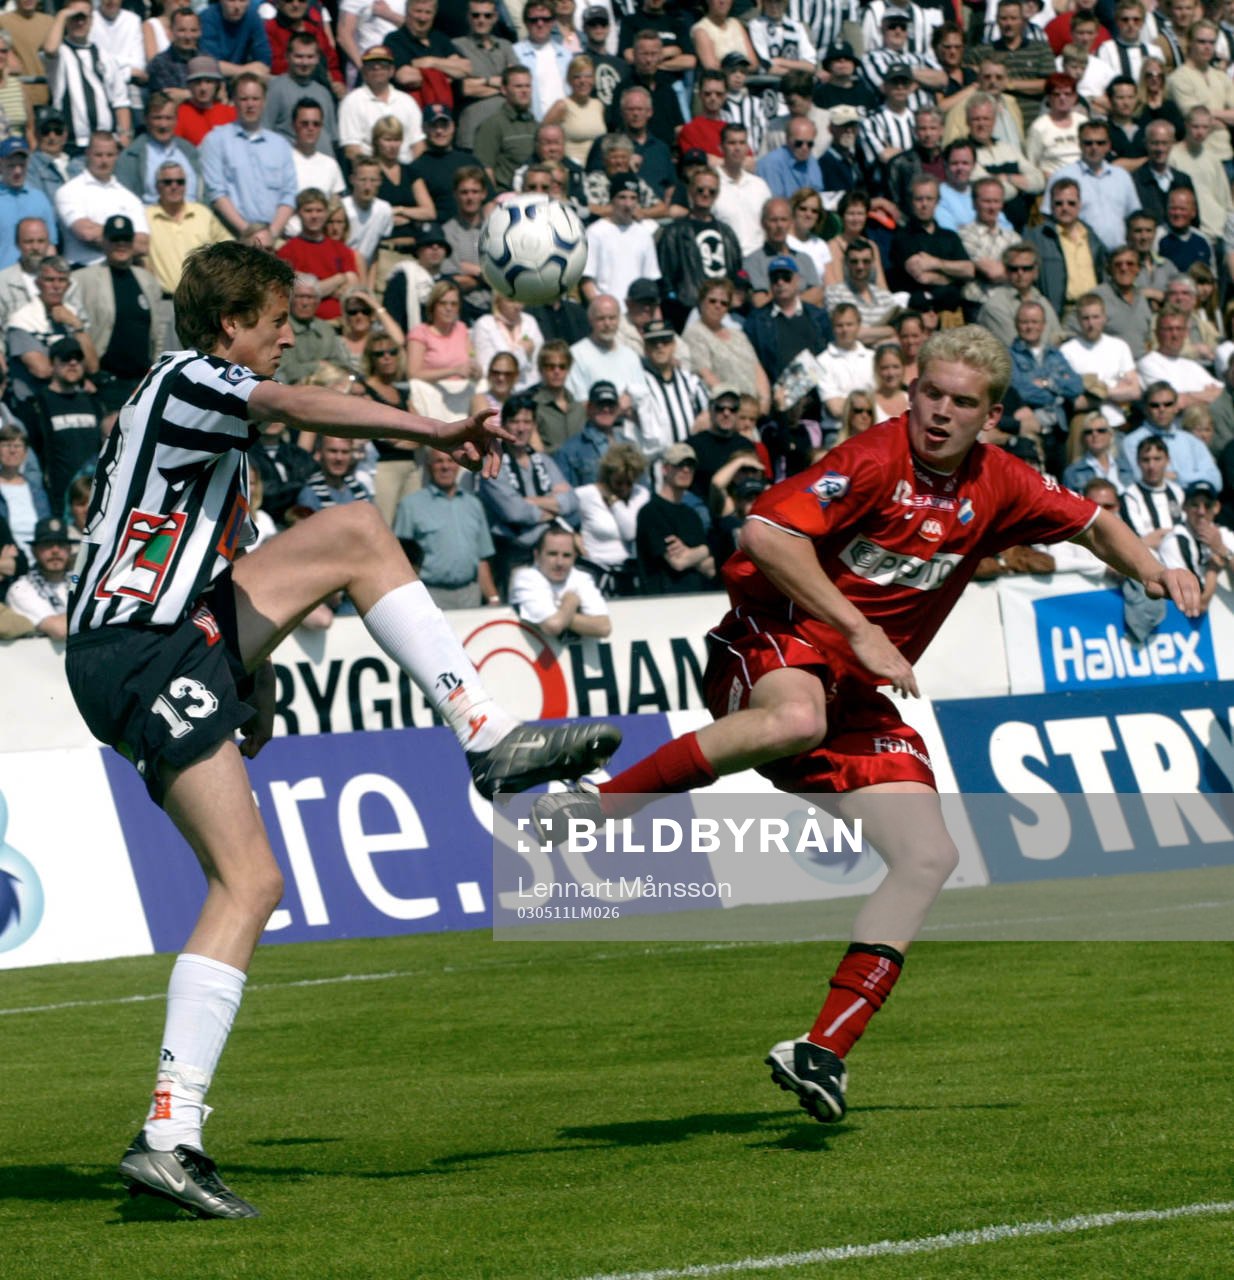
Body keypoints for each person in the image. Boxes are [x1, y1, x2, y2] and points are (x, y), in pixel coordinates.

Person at [65, 242, 620, 1219]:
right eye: (277, 320)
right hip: (135, 647)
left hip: (177, 643)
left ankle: (485, 728)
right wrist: (430, 426)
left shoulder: (223, 450)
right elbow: (292, 405)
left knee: (356, 531)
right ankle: (167, 1131)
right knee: (250, 880)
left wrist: (255, 673)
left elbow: (234, 570)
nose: (289, 335)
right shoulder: (188, 378)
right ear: (228, 325)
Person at [532, 324, 1200, 1125]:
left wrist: (1158, 570)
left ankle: (823, 1048)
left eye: (962, 403)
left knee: (929, 854)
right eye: (930, 395)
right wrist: (861, 630)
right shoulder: (876, 458)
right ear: (909, 391)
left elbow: (1095, 522)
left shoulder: (1004, 481)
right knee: (797, 713)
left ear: (990, 415)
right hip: (776, 636)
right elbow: (765, 535)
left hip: (856, 685)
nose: (941, 413)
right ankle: (595, 807)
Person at [71, 215, 163, 412]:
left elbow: (158, 332)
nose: (121, 245)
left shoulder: (148, 280)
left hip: (142, 382)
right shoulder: (82, 279)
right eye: (114, 240)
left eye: (126, 239)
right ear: (104, 242)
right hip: (105, 381)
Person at [393, 448, 499, 609]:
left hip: (470, 594)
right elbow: (400, 561)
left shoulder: (473, 504)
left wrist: (493, 598)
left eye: (451, 461)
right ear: (429, 466)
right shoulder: (410, 506)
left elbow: (482, 559)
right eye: (439, 461)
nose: (445, 467)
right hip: (429, 596)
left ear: (458, 466)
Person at [200, 74, 297, 248]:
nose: (250, 104)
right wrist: (248, 232)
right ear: (234, 101)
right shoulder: (215, 140)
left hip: (274, 238)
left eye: (255, 98)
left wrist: (272, 234)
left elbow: (289, 195)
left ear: (264, 101)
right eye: (244, 99)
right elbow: (217, 194)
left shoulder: (280, 144)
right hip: (231, 236)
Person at [635, 439, 717, 594]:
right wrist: (704, 551)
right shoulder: (651, 512)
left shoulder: (692, 515)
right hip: (663, 601)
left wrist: (695, 552)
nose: (686, 470)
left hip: (696, 598)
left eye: (690, 466)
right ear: (665, 469)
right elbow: (678, 562)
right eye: (679, 465)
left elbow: (711, 569)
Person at [508, 521, 612, 636]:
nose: (559, 562)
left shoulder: (582, 578)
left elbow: (604, 627)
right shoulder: (526, 578)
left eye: (566, 555)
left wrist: (560, 614)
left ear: (574, 558)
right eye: (552, 554)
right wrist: (571, 601)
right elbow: (553, 626)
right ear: (537, 555)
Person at [6, 512, 72, 638]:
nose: (55, 550)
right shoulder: (21, 589)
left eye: (61, 544)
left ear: (69, 550)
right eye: (47, 544)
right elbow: (60, 630)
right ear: (34, 551)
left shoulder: (80, 582)